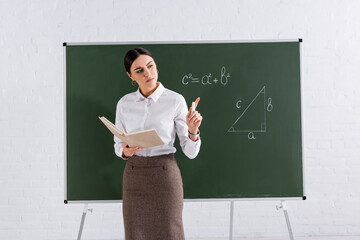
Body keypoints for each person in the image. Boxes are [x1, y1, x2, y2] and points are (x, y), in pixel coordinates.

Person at [114, 47, 203, 239]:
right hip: (134, 175)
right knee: (134, 234)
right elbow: (117, 144)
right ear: (130, 75)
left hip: (165, 175)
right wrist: (125, 151)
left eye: (150, 66)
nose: (148, 73)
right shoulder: (124, 104)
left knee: (170, 233)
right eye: (139, 71)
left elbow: (190, 152)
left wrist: (192, 130)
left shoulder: (175, 100)